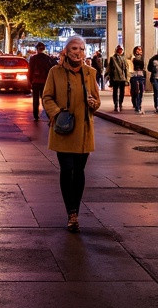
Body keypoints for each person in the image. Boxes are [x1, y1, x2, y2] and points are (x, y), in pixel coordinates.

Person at [41, 35, 100, 233]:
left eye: (82, 49)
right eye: (74, 48)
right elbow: (47, 97)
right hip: (63, 130)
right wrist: (57, 114)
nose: (78, 52)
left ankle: (76, 209)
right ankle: (71, 212)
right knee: (67, 170)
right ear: (66, 51)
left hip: (84, 130)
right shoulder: (55, 72)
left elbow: (96, 101)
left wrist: (94, 104)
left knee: (79, 171)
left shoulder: (91, 73)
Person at [27, 42, 55, 120]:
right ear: (44, 49)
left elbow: (30, 71)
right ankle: (49, 114)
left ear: (37, 49)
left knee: (35, 99)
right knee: (45, 98)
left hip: (35, 81)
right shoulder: (48, 58)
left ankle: (36, 115)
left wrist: (29, 81)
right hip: (45, 81)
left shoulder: (33, 58)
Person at [107, 44, 130, 112]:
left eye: (121, 50)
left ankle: (120, 103)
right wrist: (109, 76)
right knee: (115, 92)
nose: (120, 51)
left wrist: (127, 78)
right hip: (115, 77)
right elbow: (110, 68)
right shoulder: (113, 58)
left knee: (122, 92)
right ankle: (116, 104)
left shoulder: (124, 58)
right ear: (117, 50)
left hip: (122, 78)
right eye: (119, 49)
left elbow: (126, 69)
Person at [128, 46, 146, 114]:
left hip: (141, 75)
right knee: (135, 92)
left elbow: (143, 66)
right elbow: (133, 64)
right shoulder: (133, 58)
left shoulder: (142, 58)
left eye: (140, 49)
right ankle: (136, 105)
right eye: (138, 49)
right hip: (134, 76)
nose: (140, 51)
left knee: (141, 91)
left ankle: (138, 105)